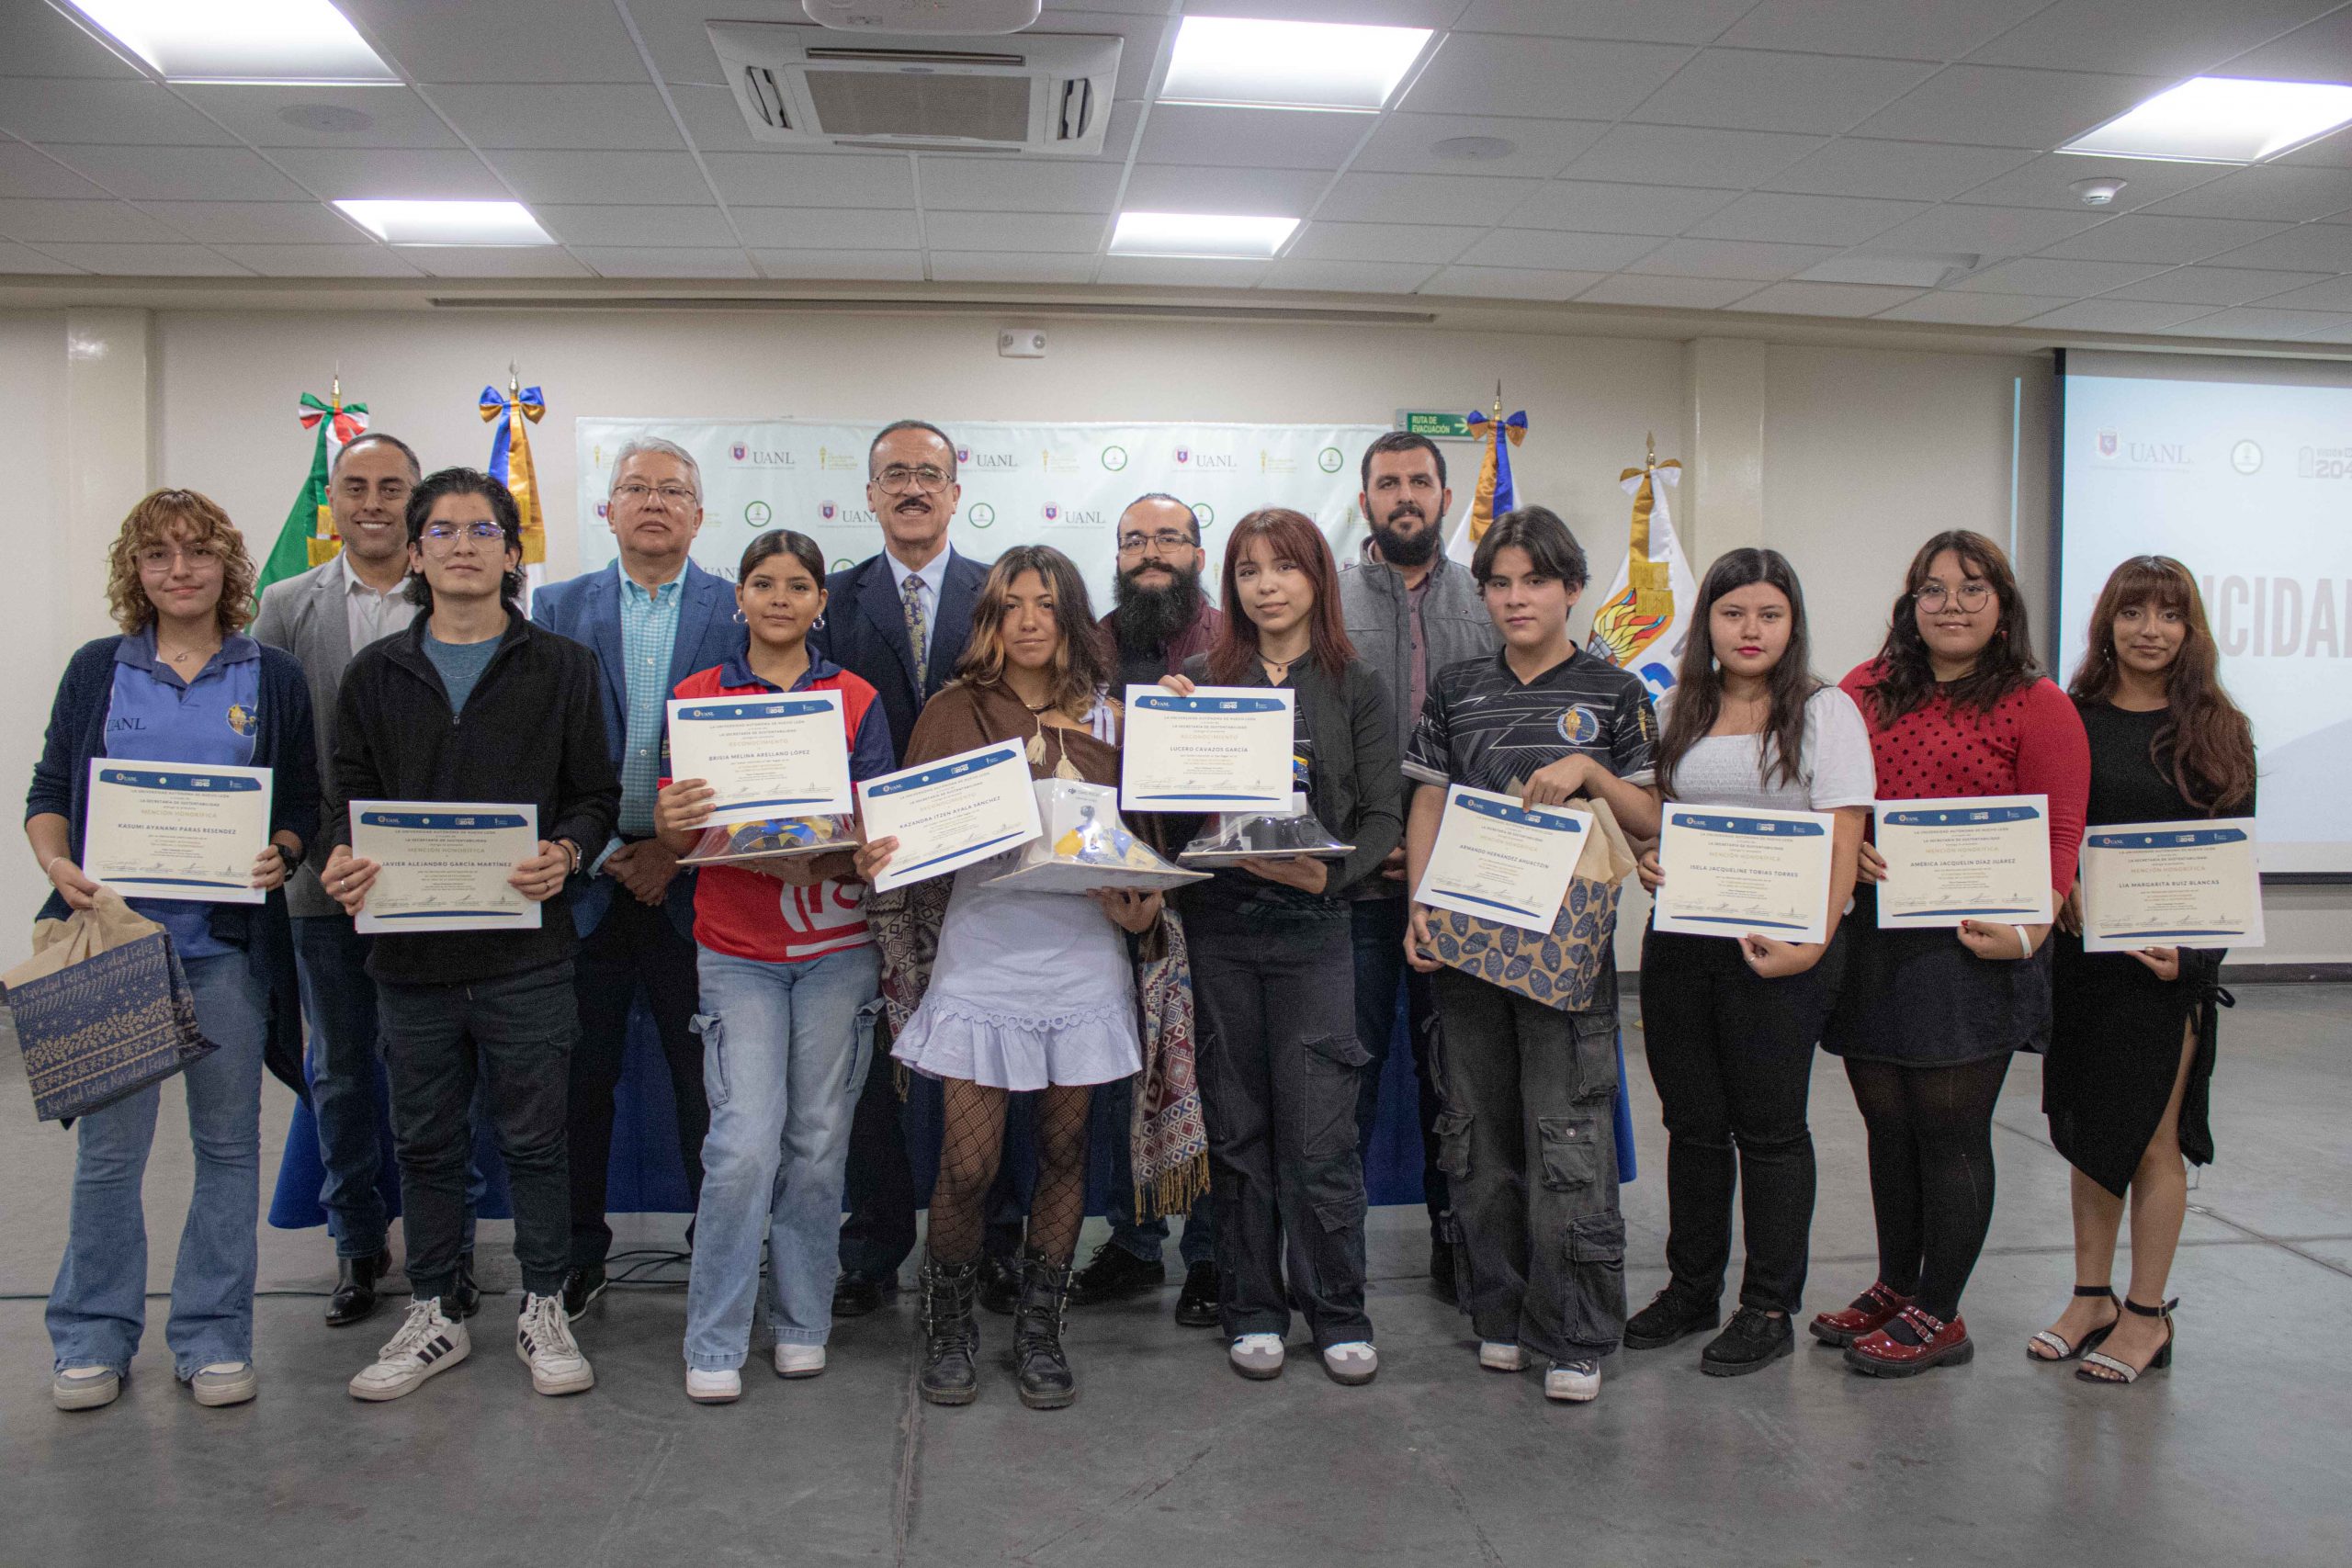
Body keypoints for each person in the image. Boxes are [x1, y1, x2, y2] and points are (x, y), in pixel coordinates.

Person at [328, 468, 619, 1403]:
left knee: (537, 1138)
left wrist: (569, 851)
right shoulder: (375, 675)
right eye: (443, 530)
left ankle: (543, 1302)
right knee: (425, 1142)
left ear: (511, 549)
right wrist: (340, 857)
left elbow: (596, 797)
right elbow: (344, 798)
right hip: (409, 956)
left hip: (525, 951)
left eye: (483, 529)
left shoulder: (563, 666)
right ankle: (439, 1309)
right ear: (414, 552)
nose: (463, 544)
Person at [856, 545, 1165, 1411]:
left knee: (1066, 1153)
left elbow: (1139, 853)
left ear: (1071, 618)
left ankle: (1040, 1328)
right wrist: (880, 849)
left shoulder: (1112, 719)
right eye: (1010, 606)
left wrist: (1141, 909)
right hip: (984, 955)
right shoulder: (953, 711)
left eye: (1047, 604)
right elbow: (907, 843)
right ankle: (949, 1322)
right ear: (988, 621)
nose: (1030, 620)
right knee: (967, 1166)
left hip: (1082, 959)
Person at [34, 489, 317, 1413]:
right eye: (158, 555)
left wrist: (285, 853)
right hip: (111, 944)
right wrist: (57, 863)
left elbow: (302, 808)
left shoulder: (271, 674)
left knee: (228, 1149)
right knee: (111, 1156)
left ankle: (212, 1336)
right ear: (136, 571)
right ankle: (92, 1337)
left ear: (228, 568)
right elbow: (47, 791)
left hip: (225, 948)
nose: (180, 570)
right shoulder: (96, 670)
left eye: (197, 553)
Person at [1812, 529, 2089, 1378]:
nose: (1952, 605)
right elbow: (1829, 792)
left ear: (2003, 606)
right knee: (1886, 1125)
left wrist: (2030, 931)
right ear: (1911, 604)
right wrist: (1843, 842)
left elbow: (2062, 834)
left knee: (1951, 1129)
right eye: (1933, 590)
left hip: (1975, 949)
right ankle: (1898, 1284)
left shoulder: (2038, 703)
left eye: (1973, 589)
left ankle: (1942, 1310)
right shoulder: (1864, 689)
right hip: (1875, 939)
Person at [1400, 504, 1660, 1404]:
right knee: (1478, 1140)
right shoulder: (1458, 688)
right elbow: (1429, 804)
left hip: (1568, 955)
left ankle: (1577, 1332)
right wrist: (1420, 904)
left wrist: (1591, 774)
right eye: (1499, 584)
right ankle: (1500, 1315)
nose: (1516, 598)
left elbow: (1652, 820)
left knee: (1568, 1139)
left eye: (1534, 582)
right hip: (1471, 943)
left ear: (1571, 590)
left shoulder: (1615, 693)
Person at [255, 431, 493, 1330]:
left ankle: (453, 1248)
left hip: (444, 887)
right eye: (355, 486)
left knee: (440, 1074)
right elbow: (282, 751)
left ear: (416, 501)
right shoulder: (284, 606)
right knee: (344, 1073)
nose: (373, 502)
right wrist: (322, 856)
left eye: (393, 488)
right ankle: (358, 1245)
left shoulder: (467, 597)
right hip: (328, 886)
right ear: (333, 498)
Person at [1160, 508, 1402, 1384]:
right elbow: (1161, 814)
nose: (1266, 585)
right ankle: (1252, 1306)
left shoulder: (1356, 684)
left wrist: (1329, 880)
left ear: (1316, 579)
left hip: (1314, 931)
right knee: (1237, 1129)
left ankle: (1339, 1309)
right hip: (1219, 925)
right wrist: (1166, 732)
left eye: (1284, 567)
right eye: (1249, 569)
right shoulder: (1196, 678)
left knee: (1320, 1135)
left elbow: (1382, 818)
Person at [654, 530, 895, 1404]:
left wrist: (834, 856)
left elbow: (876, 829)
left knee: (819, 1143)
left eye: (799, 585)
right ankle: (714, 1335)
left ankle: (802, 1323)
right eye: (764, 583)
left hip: (836, 952)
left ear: (821, 601)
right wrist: (674, 816)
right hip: (738, 952)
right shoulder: (698, 697)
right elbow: (679, 838)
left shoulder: (856, 697)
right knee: (744, 1145)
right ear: (740, 598)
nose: (781, 599)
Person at [1623, 549, 1873, 1376]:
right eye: (1734, 613)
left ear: (1792, 621)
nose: (1751, 629)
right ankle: (1692, 1288)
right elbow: (1661, 816)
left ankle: (1768, 1304)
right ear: (1709, 624)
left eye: (1769, 613)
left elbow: (1844, 833)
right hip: (1682, 943)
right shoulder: (1678, 707)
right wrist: (1651, 853)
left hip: (1784, 950)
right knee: (1691, 1125)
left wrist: (1815, 941)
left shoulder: (1826, 710)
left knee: (1768, 1130)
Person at [813, 420, 1026, 1319]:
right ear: (867, 494)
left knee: (996, 1059)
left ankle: (998, 1243)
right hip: (871, 872)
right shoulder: (827, 596)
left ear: (954, 491)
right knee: (875, 1066)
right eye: (893, 474)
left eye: (927, 474)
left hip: (987, 875)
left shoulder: (1001, 593)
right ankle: (872, 1243)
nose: (910, 488)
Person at [532, 436, 744, 1317]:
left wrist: (670, 851)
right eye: (635, 489)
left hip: (698, 886)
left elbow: (764, 754)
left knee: (710, 1088)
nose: (653, 503)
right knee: (577, 1086)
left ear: (700, 515)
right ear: (606, 508)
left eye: (673, 491)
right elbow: (535, 745)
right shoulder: (552, 607)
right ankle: (576, 1255)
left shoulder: (742, 607)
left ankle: (716, 1252)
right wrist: (604, 845)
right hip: (583, 882)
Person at [2034, 556, 2256, 1385]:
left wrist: (2193, 958)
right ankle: (2091, 1296)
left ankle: (2146, 1312)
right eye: (2134, 613)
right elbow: (2053, 827)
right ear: (2108, 624)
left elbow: (2234, 859)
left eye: (2168, 615)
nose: (2150, 630)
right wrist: (2058, 888)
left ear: (2190, 629)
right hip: (2083, 961)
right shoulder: (2071, 718)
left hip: (2166, 975)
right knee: (2092, 1137)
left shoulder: (2219, 728)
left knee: (2155, 1142)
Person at [1339, 431, 1499, 1299]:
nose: (1406, 496)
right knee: (1348, 1074)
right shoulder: (1326, 597)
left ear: (1445, 496)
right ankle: (1338, 1258)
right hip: (1359, 885)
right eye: (1389, 483)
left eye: (1421, 482)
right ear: (1364, 499)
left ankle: (1461, 1246)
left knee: (1458, 1079)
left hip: (1464, 884)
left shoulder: (1491, 593)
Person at [1071, 491, 1225, 1323]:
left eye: (1170, 538)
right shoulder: (1087, 645)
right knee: (1124, 1076)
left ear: (1199, 552)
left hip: (1215, 890)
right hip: (1114, 886)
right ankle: (1133, 1242)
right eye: (1136, 540)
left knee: (1206, 1071)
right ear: (1118, 554)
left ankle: (1208, 1253)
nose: (1152, 552)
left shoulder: (1235, 644)